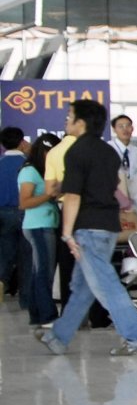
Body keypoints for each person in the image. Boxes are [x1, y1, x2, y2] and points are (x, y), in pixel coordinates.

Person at [41, 99, 137, 356]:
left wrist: (67, 233)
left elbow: (73, 196)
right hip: (108, 226)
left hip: (88, 228)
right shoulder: (108, 152)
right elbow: (108, 186)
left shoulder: (76, 152)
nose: (66, 120)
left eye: (70, 116)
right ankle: (58, 337)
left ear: (81, 122)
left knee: (105, 285)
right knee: (82, 288)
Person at [18, 134, 59, 327]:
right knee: (44, 271)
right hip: (38, 226)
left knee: (38, 271)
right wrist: (48, 195)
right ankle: (47, 315)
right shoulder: (30, 172)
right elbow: (24, 202)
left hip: (47, 224)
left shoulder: (44, 171)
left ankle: (36, 313)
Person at [0, 127, 24, 298]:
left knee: (5, 255)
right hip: (27, 213)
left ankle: (3, 286)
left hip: (3, 214)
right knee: (28, 256)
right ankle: (26, 294)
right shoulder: (29, 163)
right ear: (22, 142)